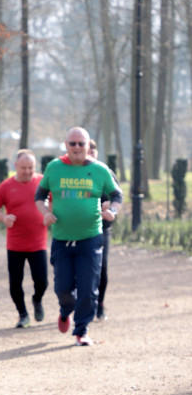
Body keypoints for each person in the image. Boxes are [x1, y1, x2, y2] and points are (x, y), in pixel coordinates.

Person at [35, 126, 122, 346]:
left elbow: (116, 193)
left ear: (87, 145)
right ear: (66, 145)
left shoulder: (100, 170)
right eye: (72, 144)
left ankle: (81, 330)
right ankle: (65, 310)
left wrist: (113, 211)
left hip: (91, 237)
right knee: (62, 288)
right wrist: (45, 212)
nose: (76, 147)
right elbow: (40, 194)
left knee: (88, 288)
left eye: (81, 144)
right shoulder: (54, 168)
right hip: (62, 239)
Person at [0, 149, 48, 328]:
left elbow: (54, 201)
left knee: (42, 281)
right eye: (24, 168)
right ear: (15, 166)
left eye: (31, 167)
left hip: (38, 242)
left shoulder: (42, 182)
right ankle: (23, 314)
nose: (28, 171)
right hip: (15, 244)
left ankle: (37, 300)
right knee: (15, 282)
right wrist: (4, 218)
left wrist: (50, 213)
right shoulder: (7, 186)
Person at [89, 138, 117, 320]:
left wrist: (110, 208)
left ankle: (100, 303)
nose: (90, 154)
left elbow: (116, 197)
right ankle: (84, 301)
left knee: (102, 267)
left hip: (102, 227)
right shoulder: (75, 174)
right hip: (79, 227)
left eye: (93, 151)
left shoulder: (106, 172)